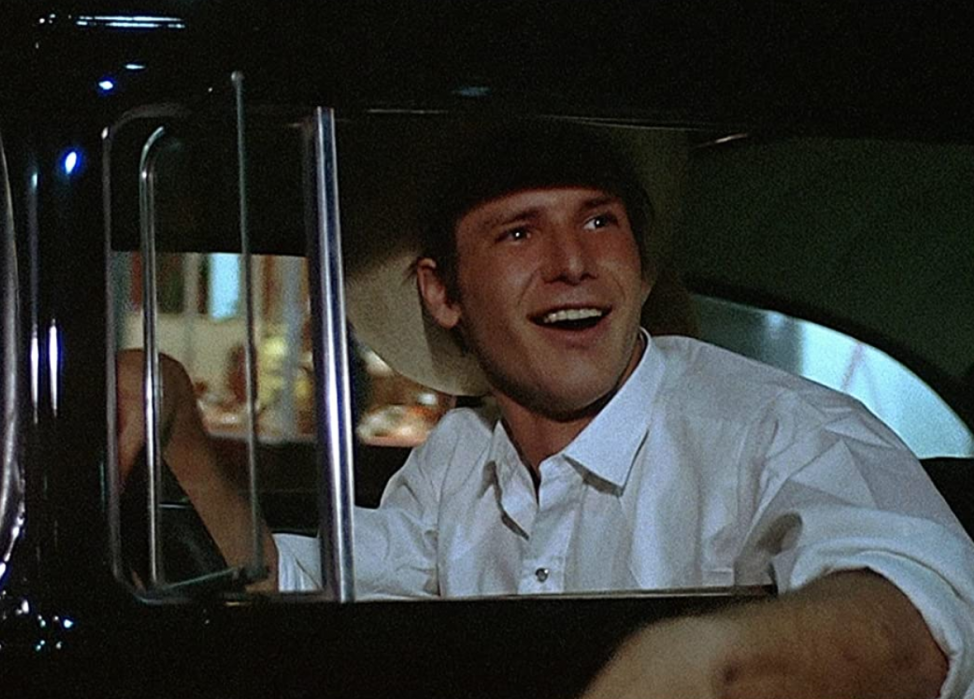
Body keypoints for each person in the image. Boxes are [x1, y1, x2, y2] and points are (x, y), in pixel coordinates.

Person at [118, 121, 974, 698]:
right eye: (520, 231)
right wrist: (174, 425)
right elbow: (309, 591)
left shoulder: (778, 430)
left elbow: (923, 617)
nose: (573, 262)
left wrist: (708, 656)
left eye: (600, 222)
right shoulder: (458, 459)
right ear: (443, 293)